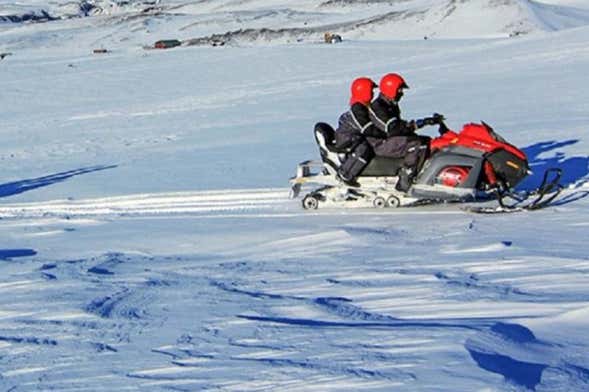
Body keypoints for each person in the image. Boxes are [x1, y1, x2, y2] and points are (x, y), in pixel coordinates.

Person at [368, 73, 443, 191]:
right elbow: (392, 128)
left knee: (426, 141)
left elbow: (399, 128)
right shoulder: (378, 107)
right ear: (391, 89)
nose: (401, 93)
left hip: (388, 140)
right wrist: (417, 124)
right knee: (417, 144)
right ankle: (406, 178)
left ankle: (426, 175)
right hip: (380, 143)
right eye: (399, 89)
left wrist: (423, 123)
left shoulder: (391, 105)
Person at [334, 77, 386, 187]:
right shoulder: (358, 108)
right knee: (364, 148)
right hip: (347, 138)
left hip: (353, 136)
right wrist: (384, 134)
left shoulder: (363, 106)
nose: (372, 93)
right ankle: (345, 174)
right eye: (371, 90)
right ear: (364, 91)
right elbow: (366, 128)